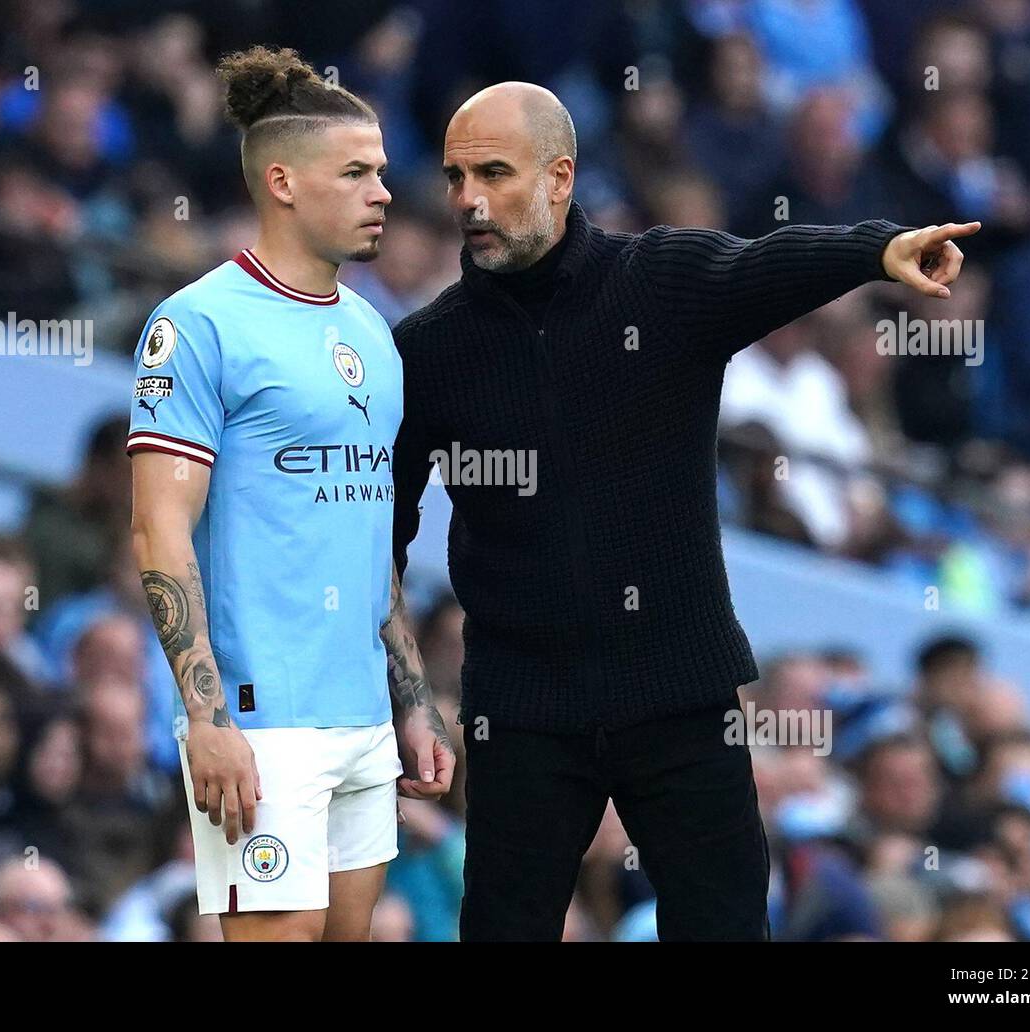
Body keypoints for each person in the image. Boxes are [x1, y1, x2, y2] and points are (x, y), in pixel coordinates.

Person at [392, 80, 978, 941]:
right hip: (520, 711)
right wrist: (409, 696)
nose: (468, 200)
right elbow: (379, 544)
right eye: (454, 177)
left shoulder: (657, 281)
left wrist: (878, 246)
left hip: (679, 694)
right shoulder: (426, 350)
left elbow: (766, 264)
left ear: (560, 178)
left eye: (494, 173)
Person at [128, 46, 453, 943]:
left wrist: (412, 698)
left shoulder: (374, 334)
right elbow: (159, 528)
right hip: (261, 718)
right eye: (356, 172)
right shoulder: (198, 325)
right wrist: (206, 717)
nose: (382, 192)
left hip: (359, 712)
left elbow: (371, 531)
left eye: (381, 171)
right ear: (282, 181)